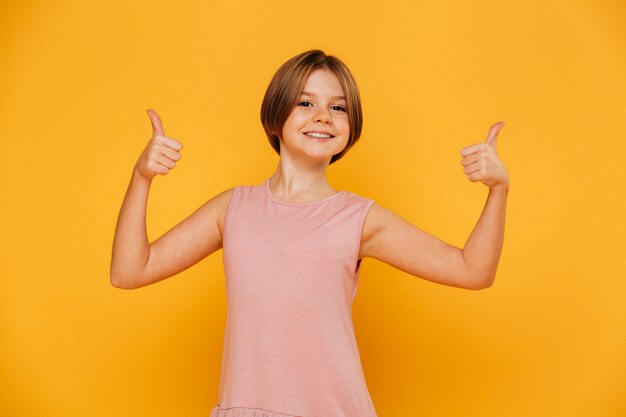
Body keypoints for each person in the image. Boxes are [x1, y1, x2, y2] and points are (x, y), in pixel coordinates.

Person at [110, 49, 509, 417]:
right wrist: (141, 177)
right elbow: (129, 271)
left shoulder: (359, 218)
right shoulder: (231, 209)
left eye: (339, 107)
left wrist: (498, 190)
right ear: (275, 115)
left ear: (351, 129)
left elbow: (472, 271)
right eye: (306, 103)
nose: (323, 116)